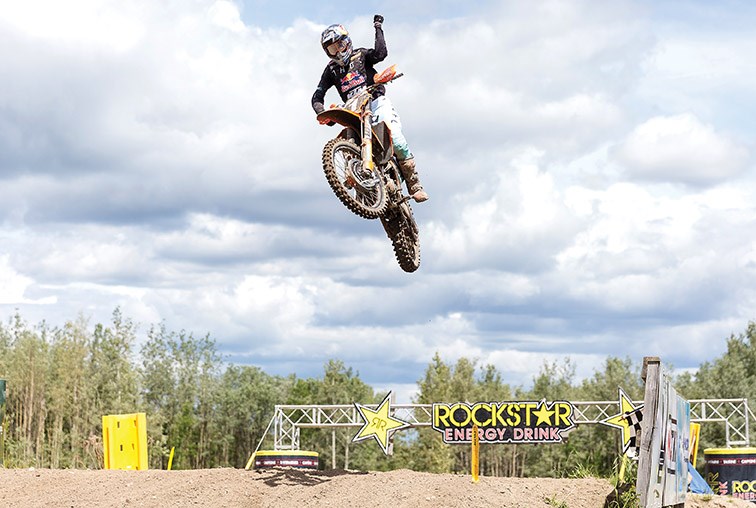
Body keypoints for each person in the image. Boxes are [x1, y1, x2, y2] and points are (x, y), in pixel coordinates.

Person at [311, 15, 429, 203]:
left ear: (346, 42)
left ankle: (414, 184)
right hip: (353, 109)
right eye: (332, 49)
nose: (337, 51)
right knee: (349, 144)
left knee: (396, 139)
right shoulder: (331, 70)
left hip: (375, 101)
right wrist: (322, 113)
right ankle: (359, 184)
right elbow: (318, 95)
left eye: (338, 45)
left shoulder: (361, 55)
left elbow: (381, 54)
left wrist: (378, 27)